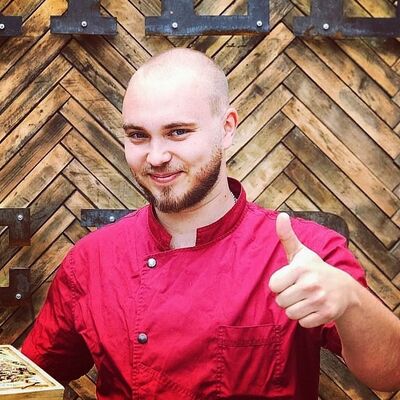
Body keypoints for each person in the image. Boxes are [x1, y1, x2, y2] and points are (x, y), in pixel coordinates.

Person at [22, 48, 400, 399]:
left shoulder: (306, 252)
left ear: (227, 127)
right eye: (138, 136)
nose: (156, 156)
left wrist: (349, 300)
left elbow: (390, 374)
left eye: (178, 132)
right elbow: (31, 378)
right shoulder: (92, 260)